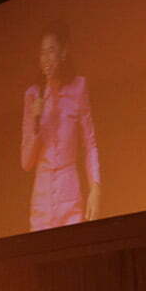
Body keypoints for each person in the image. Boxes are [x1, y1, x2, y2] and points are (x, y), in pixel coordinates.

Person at [21, 22, 101, 231]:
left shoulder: (78, 87)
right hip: (42, 199)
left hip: (69, 192)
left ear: (63, 53)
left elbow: (90, 143)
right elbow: (26, 162)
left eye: (51, 50)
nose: (46, 58)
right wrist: (36, 122)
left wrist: (95, 187)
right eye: (42, 53)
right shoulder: (32, 95)